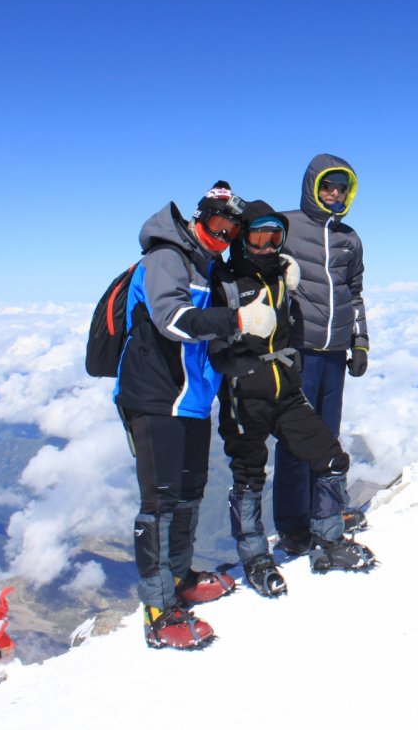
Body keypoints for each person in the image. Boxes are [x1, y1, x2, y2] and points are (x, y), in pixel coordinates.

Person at [114, 181, 275, 650]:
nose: (223, 235)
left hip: (192, 400)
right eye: (217, 224)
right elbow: (172, 320)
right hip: (154, 399)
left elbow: (207, 340)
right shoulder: (167, 256)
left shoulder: (208, 264)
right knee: (160, 504)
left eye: (232, 230)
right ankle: (159, 610)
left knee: (189, 494)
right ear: (198, 217)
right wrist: (238, 320)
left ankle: (180, 578)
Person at [209, 201, 377, 595]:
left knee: (331, 457)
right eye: (258, 237)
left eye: (275, 238)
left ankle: (328, 539)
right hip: (245, 398)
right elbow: (215, 349)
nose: (267, 246)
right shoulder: (228, 284)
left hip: (285, 393)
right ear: (242, 240)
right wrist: (240, 347)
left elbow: (340, 300)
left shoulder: (284, 279)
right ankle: (256, 557)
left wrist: (355, 342)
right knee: (248, 478)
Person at [277, 154, 369, 554]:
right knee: (296, 442)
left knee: (327, 441)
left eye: (341, 187)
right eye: (327, 185)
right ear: (313, 186)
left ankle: (324, 515)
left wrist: (360, 341)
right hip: (299, 353)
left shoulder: (350, 239)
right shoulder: (287, 227)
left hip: (334, 355)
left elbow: (355, 294)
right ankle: (292, 527)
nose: (334, 193)